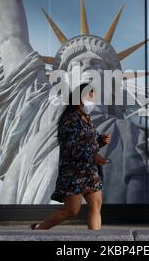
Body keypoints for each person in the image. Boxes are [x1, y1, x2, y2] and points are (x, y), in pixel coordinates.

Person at [31, 84, 111, 230]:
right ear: (79, 97)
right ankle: (40, 228)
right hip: (73, 173)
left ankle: (96, 239)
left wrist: (100, 141)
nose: (93, 99)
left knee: (96, 204)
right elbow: (71, 148)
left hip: (89, 172)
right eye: (90, 95)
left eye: (93, 95)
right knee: (71, 210)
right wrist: (94, 156)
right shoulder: (69, 119)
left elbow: (89, 143)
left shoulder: (87, 119)